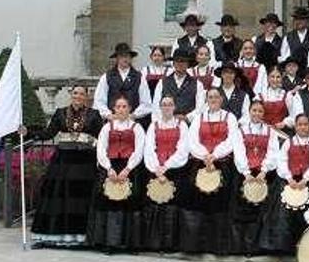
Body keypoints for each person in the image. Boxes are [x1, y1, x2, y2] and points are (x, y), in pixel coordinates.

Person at [26, 85, 103, 248]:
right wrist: (28, 132)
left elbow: (102, 137)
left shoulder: (94, 115)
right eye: (75, 93)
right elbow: (48, 133)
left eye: (82, 94)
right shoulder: (60, 113)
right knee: (58, 197)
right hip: (63, 162)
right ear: (71, 95)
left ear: (87, 97)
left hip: (85, 163)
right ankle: (49, 237)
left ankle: (82, 238)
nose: (78, 96)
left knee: (80, 199)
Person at [179, 88, 242, 254]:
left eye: (216, 96)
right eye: (210, 97)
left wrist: (215, 155)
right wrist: (205, 155)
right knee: (198, 203)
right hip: (201, 163)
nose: (213, 99)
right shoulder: (199, 118)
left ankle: (218, 246)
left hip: (222, 164)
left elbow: (232, 139)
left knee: (220, 205)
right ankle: (196, 246)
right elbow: (192, 140)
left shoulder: (230, 118)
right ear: (206, 99)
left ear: (222, 99)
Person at [259, 114, 309, 254]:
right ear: (295, 127)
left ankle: (307, 247)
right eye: (300, 124)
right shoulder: (288, 142)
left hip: (308, 182)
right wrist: (289, 178)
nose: (303, 127)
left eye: (305, 124)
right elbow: (282, 161)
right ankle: (282, 248)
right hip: (289, 181)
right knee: (282, 214)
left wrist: (305, 179)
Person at [87, 96, 146, 250]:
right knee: (108, 201)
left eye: (124, 106)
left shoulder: (137, 128)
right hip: (111, 167)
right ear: (114, 109)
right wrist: (108, 168)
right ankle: (108, 242)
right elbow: (101, 148)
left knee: (129, 202)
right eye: (118, 107)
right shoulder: (107, 127)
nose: (121, 109)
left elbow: (139, 150)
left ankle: (129, 243)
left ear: (129, 109)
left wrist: (128, 168)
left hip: (130, 168)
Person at [141, 95, 189, 252]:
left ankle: (171, 244)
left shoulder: (182, 125)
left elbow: (183, 149)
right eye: (164, 105)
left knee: (172, 207)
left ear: (174, 107)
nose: (167, 107)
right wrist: (157, 169)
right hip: (156, 170)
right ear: (160, 108)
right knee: (156, 205)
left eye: (170, 104)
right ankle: (154, 243)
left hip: (175, 170)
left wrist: (167, 166)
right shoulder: (153, 125)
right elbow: (149, 148)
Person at [231, 101, 279, 255]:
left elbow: (273, 152)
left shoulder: (270, 131)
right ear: (249, 111)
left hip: (264, 175)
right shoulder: (241, 130)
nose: (257, 113)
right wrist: (246, 173)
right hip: (245, 175)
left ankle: (257, 247)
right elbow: (239, 151)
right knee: (243, 210)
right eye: (254, 110)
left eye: (260, 111)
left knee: (262, 211)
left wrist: (264, 171)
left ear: (263, 114)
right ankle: (241, 247)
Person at [93, 43, 153, 123]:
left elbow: (146, 102)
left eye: (127, 56)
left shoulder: (139, 77)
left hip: (133, 122)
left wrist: (134, 115)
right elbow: (99, 101)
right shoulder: (106, 77)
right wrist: (109, 115)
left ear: (131, 58)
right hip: (112, 122)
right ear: (117, 58)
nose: (125, 59)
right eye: (122, 56)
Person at [151, 50, 205, 123]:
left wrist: (187, 118)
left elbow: (200, 107)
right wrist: (166, 119)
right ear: (173, 63)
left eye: (183, 61)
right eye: (177, 61)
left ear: (188, 64)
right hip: (166, 124)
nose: (180, 64)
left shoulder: (198, 84)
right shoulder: (162, 82)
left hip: (189, 125)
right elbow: (156, 106)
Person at [257, 67, 294, 131]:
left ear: (281, 78)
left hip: (281, 131)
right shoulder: (260, 95)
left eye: (278, 77)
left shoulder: (287, 95)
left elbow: (293, 114)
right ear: (268, 78)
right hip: (263, 130)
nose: (275, 80)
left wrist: (284, 123)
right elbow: (255, 114)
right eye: (272, 77)